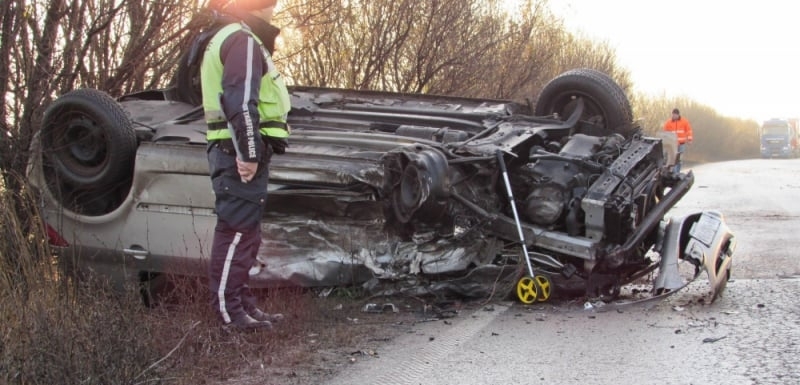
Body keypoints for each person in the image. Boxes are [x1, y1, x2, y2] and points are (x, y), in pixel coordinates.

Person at [201, 0, 290, 330]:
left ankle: (242, 305)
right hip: (235, 151)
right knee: (236, 232)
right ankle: (229, 313)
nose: (273, 9)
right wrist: (249, 153)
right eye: (269, 4)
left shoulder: (235, 36)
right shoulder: (242, 40)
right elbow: (239, 102)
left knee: (247, 233)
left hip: (235, 149)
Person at [663, 108, 693, 172]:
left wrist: (689, 139)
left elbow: (688, 131)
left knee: (679, 159)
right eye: (673, 114)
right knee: (673, 159)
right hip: (673, 145)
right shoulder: (668, 123)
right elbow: (665, 133)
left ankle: (677, 172)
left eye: (675, 115)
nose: (673, 116)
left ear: (678, 115)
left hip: (681, 144)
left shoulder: (684, 122)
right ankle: (674, 172)